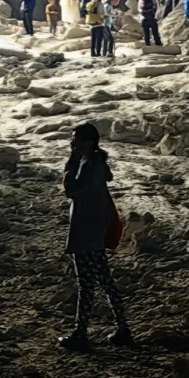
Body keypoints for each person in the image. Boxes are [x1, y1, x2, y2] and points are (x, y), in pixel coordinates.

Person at [60, 123, 132, 350]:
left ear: (89, 142)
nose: (73, 143)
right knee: (103, 280)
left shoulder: (90, 165)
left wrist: (71, 162)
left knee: (87, 283)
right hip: (91, 229)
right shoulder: (94, 163)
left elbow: (71, 190)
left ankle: (81, 334)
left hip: (86, 230)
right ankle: (122, 329)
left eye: (77, 139)